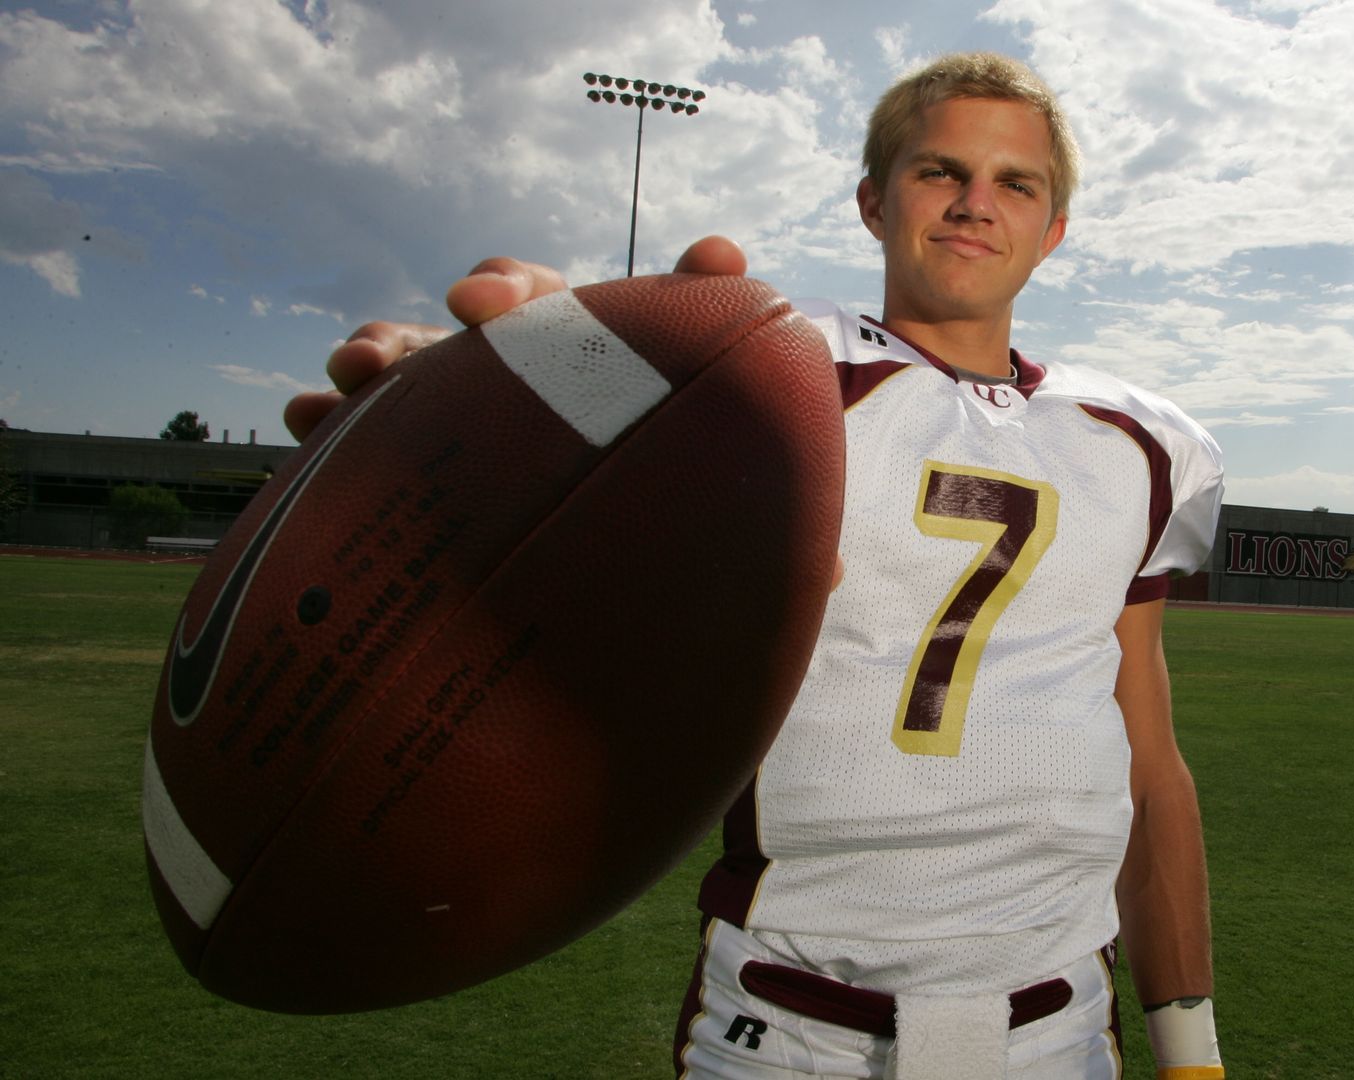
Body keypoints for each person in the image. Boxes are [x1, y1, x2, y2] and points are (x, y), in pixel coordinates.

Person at [288, 52, 1225, 1080]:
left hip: (1058, 1034)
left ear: (1053, 231)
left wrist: (1190, 1053)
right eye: (939, 171)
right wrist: (477, 396)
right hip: (790, 1032)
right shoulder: (767, 378)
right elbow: (574, 393)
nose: (973, 203)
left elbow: (1149, 763)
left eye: (1016, 182)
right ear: (873, 201)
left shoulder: (1136, 443)